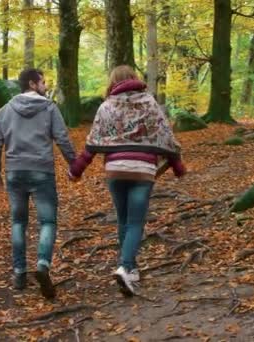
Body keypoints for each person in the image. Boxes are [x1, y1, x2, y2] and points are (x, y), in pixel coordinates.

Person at [68, 65, 186, 297]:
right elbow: (166, 137)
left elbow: (92, 142)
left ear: (113, 81)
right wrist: (177, 166)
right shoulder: (150, 103)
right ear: (134, 79)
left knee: (123, 220)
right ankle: (125, 266)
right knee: (135, 222)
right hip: (142, 170)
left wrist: (77, 169)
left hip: (115, 170)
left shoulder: (106, 106)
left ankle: (130, 268)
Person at [0, 69, 76, 299]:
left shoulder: (4, 111)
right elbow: (62, 137)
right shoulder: (49, 108)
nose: (46, 86)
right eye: (43, 82)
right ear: (32, 83)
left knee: (18, 222)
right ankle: (43, 264)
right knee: (47, 221)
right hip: (41, 171)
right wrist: (74, 165)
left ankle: (19, 273)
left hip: (14, 172)